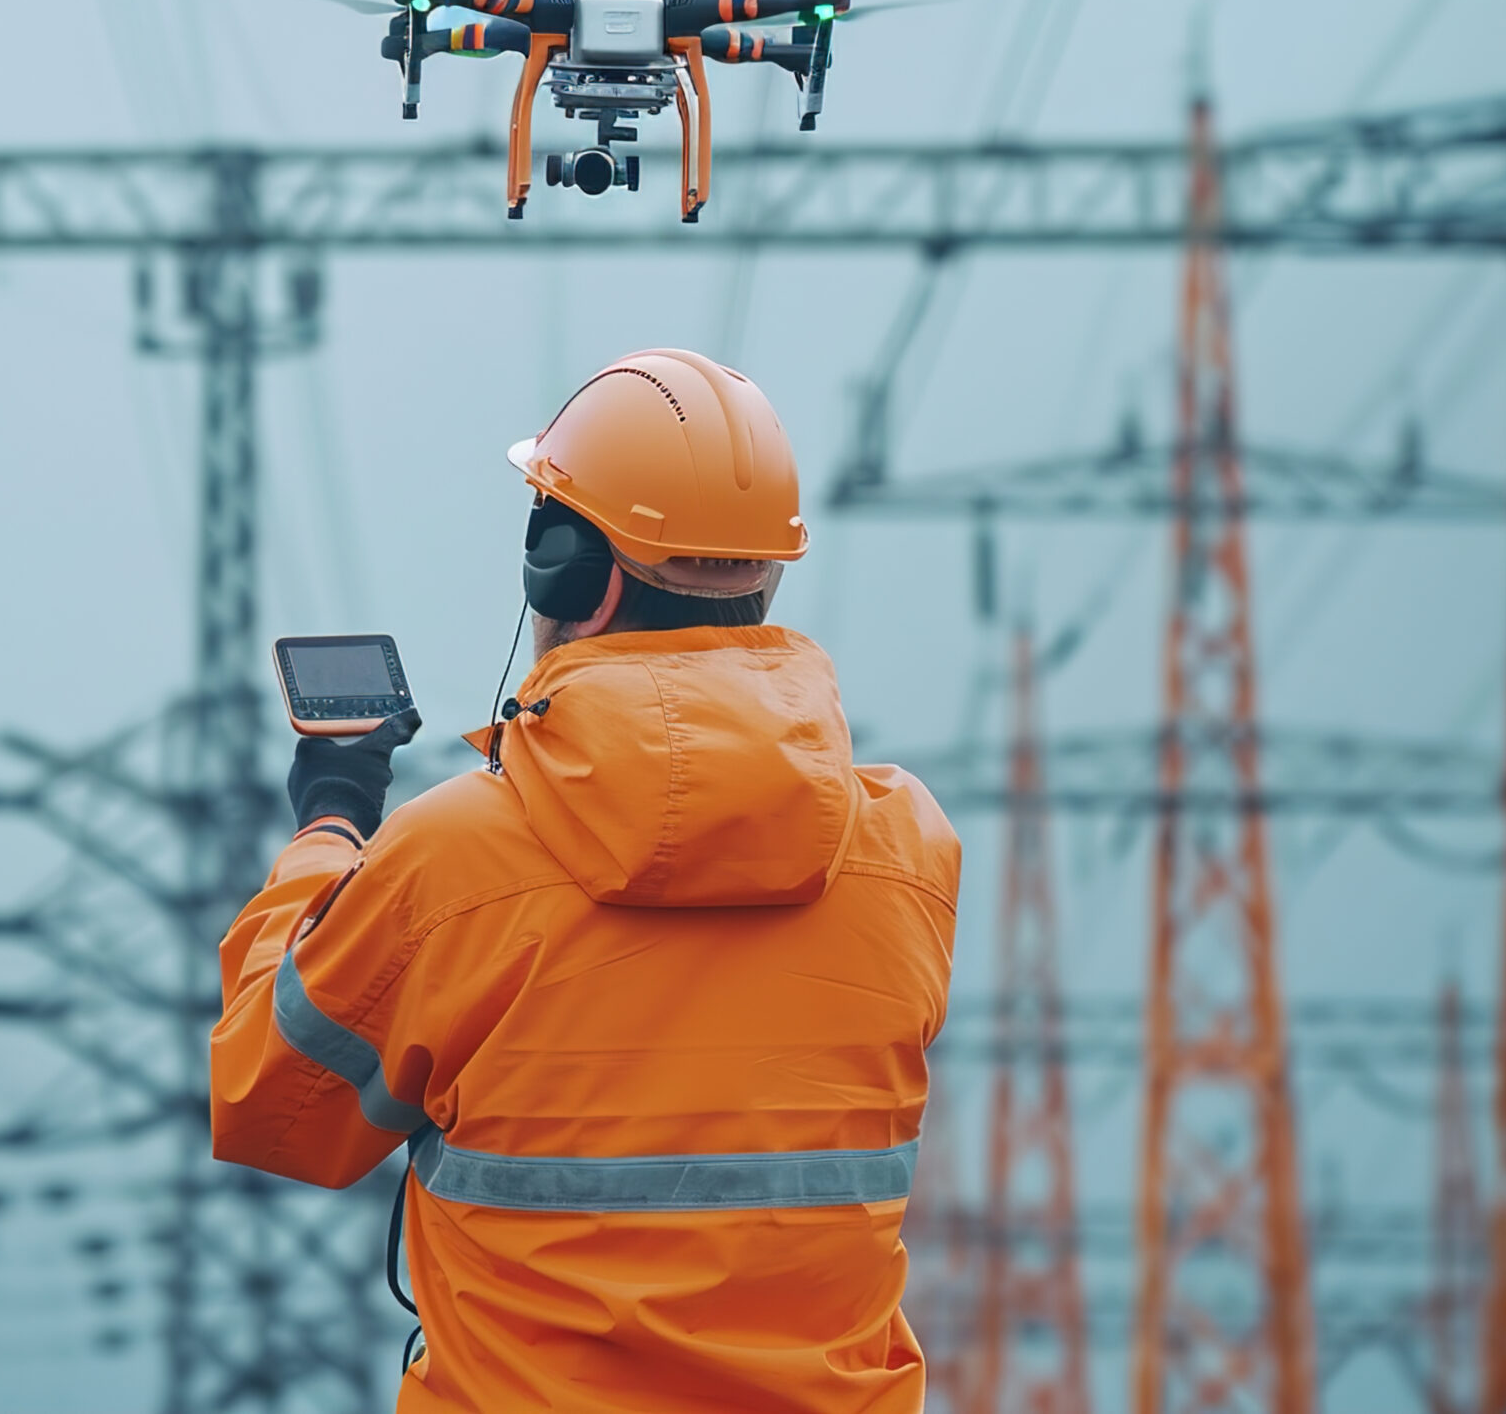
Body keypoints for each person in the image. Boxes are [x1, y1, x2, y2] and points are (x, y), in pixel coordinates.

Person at [212, 346, 961, 1413]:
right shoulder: (907, 852)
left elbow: (270, 1100)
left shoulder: (454, 861)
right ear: (766, 569)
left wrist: (330, 827)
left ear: (568, 568)